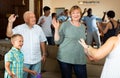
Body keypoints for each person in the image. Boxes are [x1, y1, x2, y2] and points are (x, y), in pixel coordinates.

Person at [6, 11, 47, 78]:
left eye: (34, 17)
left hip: (37, 60)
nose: (34, 19)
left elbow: (42, 41)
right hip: (23, 61)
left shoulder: (38, 28)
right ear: (25, 20)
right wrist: (10, 22)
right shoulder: (19, 28)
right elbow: (9, 34)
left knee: (37, 77)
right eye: (31, 17)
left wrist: (44, 53)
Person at [52, 5, 87, 78]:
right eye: (73, 13)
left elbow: (83, 42)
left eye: (78, 13)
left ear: (80, 14)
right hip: (65, 58)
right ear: (70, 14)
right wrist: (56, 29)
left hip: (80, 58)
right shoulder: (65, 24)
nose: (76, 15)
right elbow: (57, 41)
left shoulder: (83, 26)